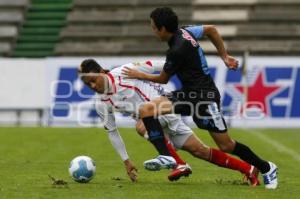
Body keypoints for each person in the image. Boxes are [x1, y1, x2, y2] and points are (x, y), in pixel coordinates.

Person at [122, 7, 278, 189]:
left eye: (153, 27)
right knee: (146, 110)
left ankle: (267, 167)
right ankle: (167, 156)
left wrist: (139, 75)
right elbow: (211, 29)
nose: (153, 31)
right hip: (189, 94)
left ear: (163, 28)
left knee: (226, 145)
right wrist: (225, 56)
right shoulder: (186, 31)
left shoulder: (176, 50)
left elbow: (163, 79)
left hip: (205, 97)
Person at [78, 58, 259, 185]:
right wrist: (126, 161)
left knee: (140, 124)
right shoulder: (101, 103)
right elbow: (112, 132)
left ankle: (179, 163)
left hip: (164, 109)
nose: (93, 86)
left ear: (102, 72)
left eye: (94, 80)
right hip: (156, 123)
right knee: (200, 151)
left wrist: (185, 74)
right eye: (89, 85)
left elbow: (160, 65)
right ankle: (249, 169)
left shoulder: (124, 71)